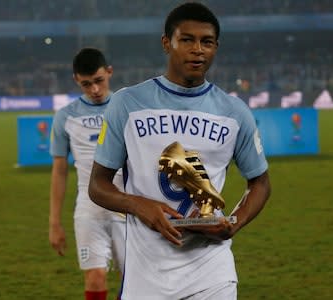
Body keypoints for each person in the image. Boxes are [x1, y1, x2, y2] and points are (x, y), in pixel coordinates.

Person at [89, 2, 271, 299]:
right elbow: (97, 186)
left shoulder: (234, 112)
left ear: (215, 47)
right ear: (167, 43)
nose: (198, 49)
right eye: (187, 40)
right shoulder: (127, 104)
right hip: (146, 274)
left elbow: (261, 182)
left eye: (206, 42)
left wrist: (234, 223)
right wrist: (139, 205)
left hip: (211, 270)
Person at [49, 47, 125, 300]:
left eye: (99, 81)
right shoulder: (65, 117)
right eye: (86, 84)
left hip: (127, 207)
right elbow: (60, 171)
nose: (94, 89)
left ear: (110, 72)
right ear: (76, 81)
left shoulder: (126, 110)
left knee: (134, 282)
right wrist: (54, 222)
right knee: (94, 279)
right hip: (88, 208)